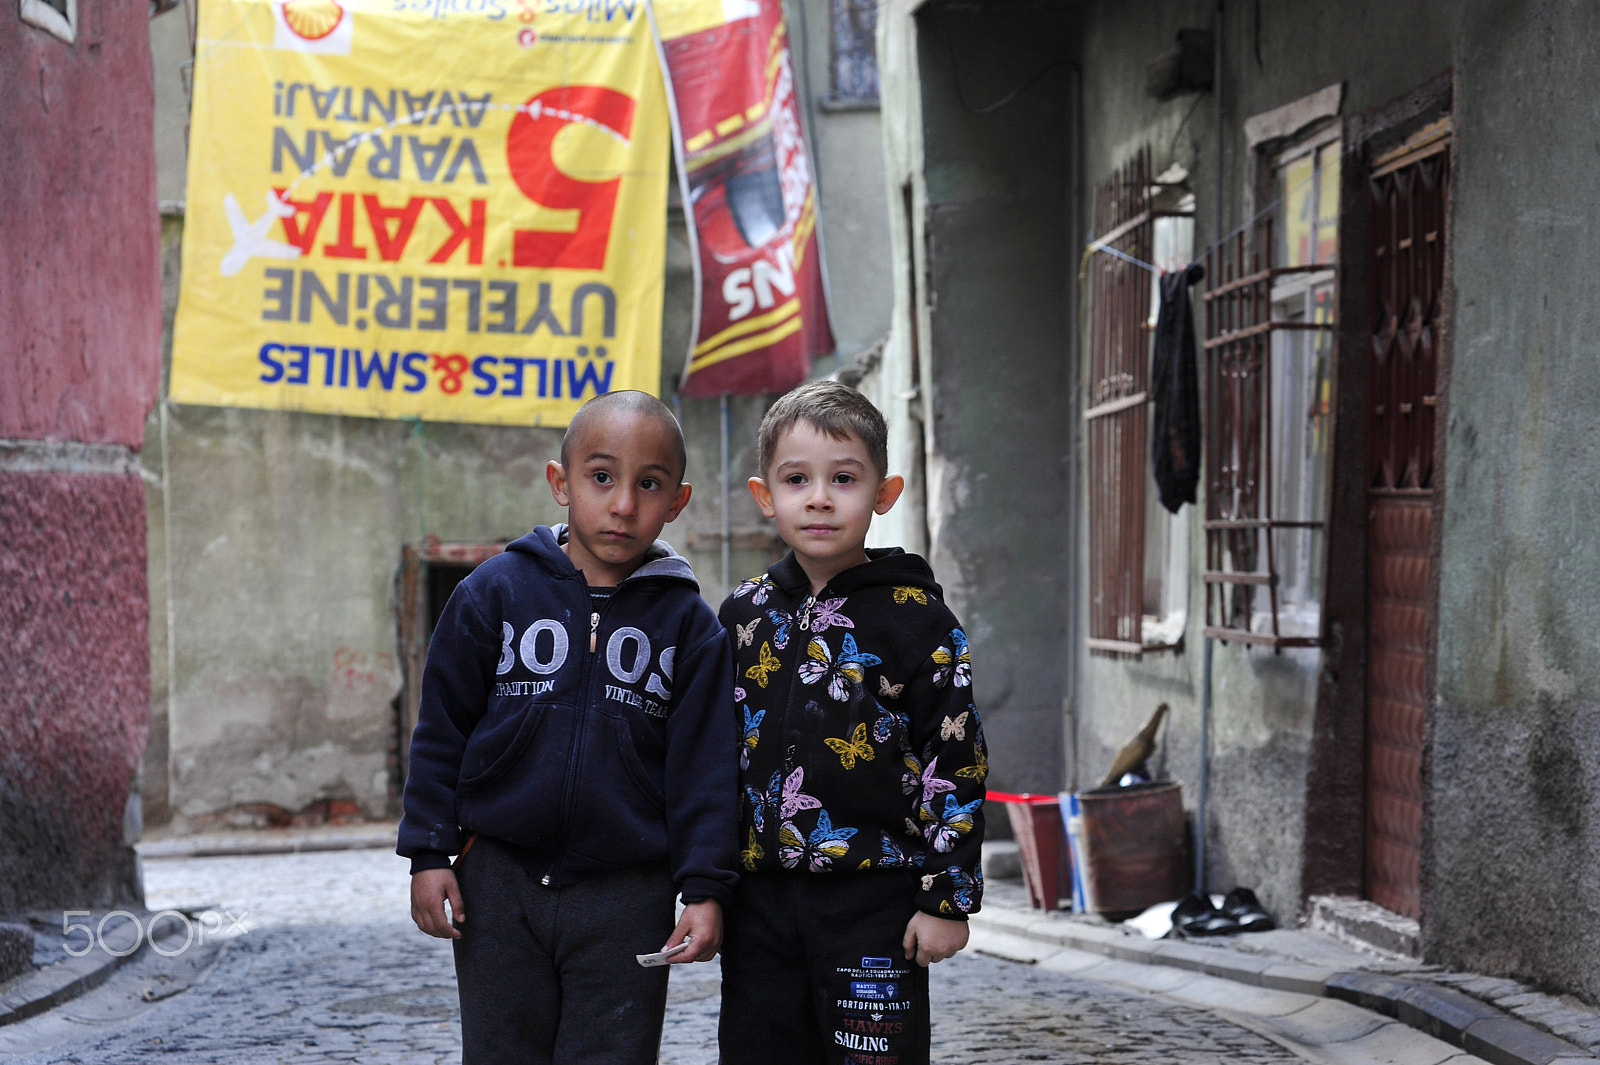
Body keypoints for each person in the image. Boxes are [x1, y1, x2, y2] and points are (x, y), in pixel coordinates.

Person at [397, 390, 739, 1065]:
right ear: (562, 482)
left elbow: (705, 768)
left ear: (678, 500)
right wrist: (430, 853)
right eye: (602, 476)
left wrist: (704, 887)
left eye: (649, 484)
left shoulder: (690, 626)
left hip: (628, 891)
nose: (622, 504)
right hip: (497, 881)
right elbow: (441, 729)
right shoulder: (493, 592)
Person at [718, 380, 987, 1065]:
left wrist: (946, 899)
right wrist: (702, 883)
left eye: (843, 478)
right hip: (760, 900)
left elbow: (954, 762)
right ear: (764, 495)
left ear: (883, 494)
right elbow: (706, 758)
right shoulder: (742, 617)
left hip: (877, 898)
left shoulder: (918, 619)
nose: (818, 496)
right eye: (796, 479)